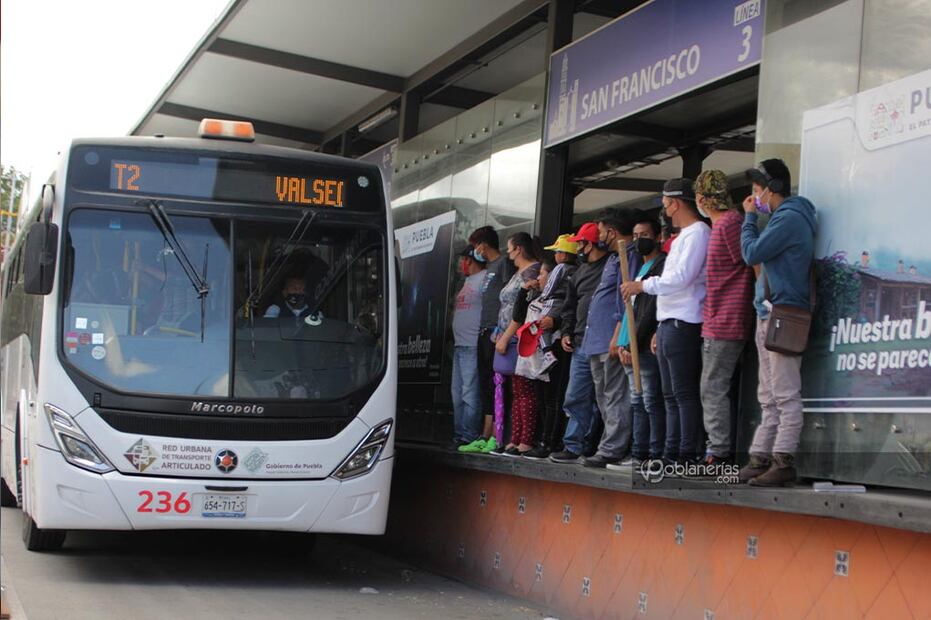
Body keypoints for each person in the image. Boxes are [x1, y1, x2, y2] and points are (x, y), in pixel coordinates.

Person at [738, 159, 816, 486]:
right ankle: (760, 458)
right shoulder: (785, 218)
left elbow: (751, 253)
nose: (755, 197)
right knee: (768, 395)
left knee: (784, 393)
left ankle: (783, 460)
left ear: (773, 189)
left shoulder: (789, 218)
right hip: (770, 313)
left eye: (758, 190)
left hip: (783, 314)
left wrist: (749, 218)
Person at [622, 178, 710, 467]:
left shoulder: (698, 233)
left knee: (683, 393)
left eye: (665, 203)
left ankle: (685, 453)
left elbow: (681, 278)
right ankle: (670, 453)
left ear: (675, 203)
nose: (664, 209)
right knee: (669, 394)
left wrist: (643, 285)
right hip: (669, 322)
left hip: (685, 321)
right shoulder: (685, 236)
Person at [694, 170, 755, 466]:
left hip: (726, 318)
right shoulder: (724, 223)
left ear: (702, 198)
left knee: (712, 386)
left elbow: (748, 261)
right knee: (713, 386)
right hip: (719, 317)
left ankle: (718, 451)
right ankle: (717, 447)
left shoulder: (729, 223)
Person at [582, 209, 642, 468]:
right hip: (596, 339)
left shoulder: (629, 255)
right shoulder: (613, 258)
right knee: (603, 395)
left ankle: (613, 448)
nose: (599, 237)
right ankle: (610, 443)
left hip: (611, 337)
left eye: (601, 231)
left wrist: (618, 336)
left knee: (615, 394)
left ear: (612, 232)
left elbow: (626, 300)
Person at [607, 217, 666, 469]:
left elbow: (650, 310)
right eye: (635, 235)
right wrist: (623, 343)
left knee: (650, 401)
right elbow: (631, 310)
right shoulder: (640, 270)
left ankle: (653, 454)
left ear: (658, 237)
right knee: (637, 401)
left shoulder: (660, 266)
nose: (639, 240)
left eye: (645, 235)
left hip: (644, 346)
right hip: (630, 345)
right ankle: (639, 453)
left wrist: (634, 343)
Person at [549, 222, 608, 464]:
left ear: (590, 244)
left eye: (580, 244)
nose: (578, 249)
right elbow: (569, 307)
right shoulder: (579, 272)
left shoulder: (611, 266)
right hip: (581, 342)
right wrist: (566, 332)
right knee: (575, 396)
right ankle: (573, 446)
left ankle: (600, 447)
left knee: (605, 398)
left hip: (604, 342)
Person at [459, 226, 514, 454]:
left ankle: (496, 435)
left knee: (496, 383)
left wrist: (503, 329)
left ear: (483, 245)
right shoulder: (489, 268)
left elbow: (511, 298)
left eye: (476, 246)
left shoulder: (504, 264)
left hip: (496, 331)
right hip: (483, 331)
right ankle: (484, 433)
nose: (476, 251)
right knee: (484, 384)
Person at [523, 235, 578, 460]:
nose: (556, 256)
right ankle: (549, 441)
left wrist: (544, 298)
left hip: (558, 339)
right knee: (549, 397)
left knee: (553, 397)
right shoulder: (575, 271)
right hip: (559, 337)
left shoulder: (561, 270)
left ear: (563, 254)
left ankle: (549, 442)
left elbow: (555, 294)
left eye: (557, 251)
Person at [492, 233, 543, 456]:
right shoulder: (518, 272)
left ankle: (526, 439)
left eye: (510, 249)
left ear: (519, 249)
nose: (508, 253)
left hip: (519, 336)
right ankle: (514, 438)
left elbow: (522, 310)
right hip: (507, 334)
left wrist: (507, 336)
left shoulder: (532, 272)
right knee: (516, 389)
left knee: (525, 389)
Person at [450, 246, 486, 449]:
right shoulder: (467, 281)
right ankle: (459, 433)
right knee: (457, 394)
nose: (462, 264)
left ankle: (469, 435)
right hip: (459, 344)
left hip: (472, 344)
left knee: (469, 393)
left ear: (470, 260)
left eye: (464, 260)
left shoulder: (484, 278)